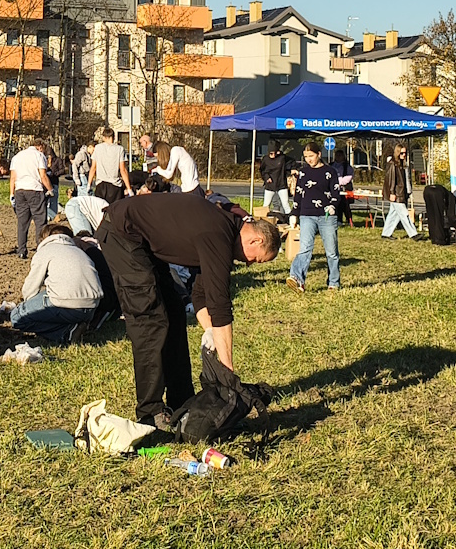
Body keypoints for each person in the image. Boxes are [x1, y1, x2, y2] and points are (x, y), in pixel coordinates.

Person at [97, 190, 282, 429]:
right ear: (256, 241)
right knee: (150, 319)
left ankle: (181, 399)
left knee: (174, 311)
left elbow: (200, 294)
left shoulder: (225, 229)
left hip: (144, 241)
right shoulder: (218, 233)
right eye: (256, 259)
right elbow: (220, 305)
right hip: (122, 234)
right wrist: (227, 374)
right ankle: (150, 412)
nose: (249, 263)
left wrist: (209, 331)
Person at [10, 222, 103, 344]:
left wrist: (29, 305)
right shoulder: (79, 251)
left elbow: (31, 286)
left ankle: (65, 333)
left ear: (44, 239)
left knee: (17, 317)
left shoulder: (46, 251)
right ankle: (73, 325)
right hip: (91, 307)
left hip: (66, 303)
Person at [288, 145, 345, 291]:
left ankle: (333, 282)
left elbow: (336, 192)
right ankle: (297, 278)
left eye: (311, 156)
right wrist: (294, 213)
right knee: (305, 248)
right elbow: (298, 194)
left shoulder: (330, 172)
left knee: (331, 251)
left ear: (319, 154)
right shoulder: (303, 173)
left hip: (327, 216)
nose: (309, 160)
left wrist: (333, 205)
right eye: (306, 157)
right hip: (307, 215)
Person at [8, 139, 54, 259]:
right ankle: (41, 248)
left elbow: (13, 177)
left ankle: (22, 250)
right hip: (35, 190)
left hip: (20, 190)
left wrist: (11, 194)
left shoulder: (17, 157)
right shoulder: (39, 156)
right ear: (40, 146)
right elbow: (43, 176)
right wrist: (50, 189)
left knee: (22, 222)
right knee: (40, 221)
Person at [381, 142, 418, 239]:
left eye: (405, 153)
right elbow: (391, 179)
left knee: (393, 214)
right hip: (397, 193)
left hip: (401, 192)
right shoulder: (393, 164)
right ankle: (413, 234)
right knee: (404, 214)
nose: (404, 155)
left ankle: (386, 233)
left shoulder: (401, 164)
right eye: (401, 153)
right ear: (397, 153)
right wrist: (392, 192)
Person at [89, 127, 133, 203]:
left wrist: (89, 184)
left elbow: (93, 168)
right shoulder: (119, 149)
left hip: (101, 184)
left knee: (100, 210)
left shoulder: (98, 148)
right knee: (115, 210)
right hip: (115, 185)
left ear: (104, 137)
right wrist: (129, 188)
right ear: (114, 137)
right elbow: (123, 170)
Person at [258, 147, 292, 225]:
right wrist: (266, 178)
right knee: (266, 204)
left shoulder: (282, 158)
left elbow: (291, 162)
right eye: (270, 153)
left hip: (281, 184)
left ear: (277, 152)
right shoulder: (266, 159)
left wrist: (292, 169)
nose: (272, 155)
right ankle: (263, 222)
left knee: (286, 204)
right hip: (270, 185)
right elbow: (262, 170)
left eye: (274, 153)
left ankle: (290, 221)